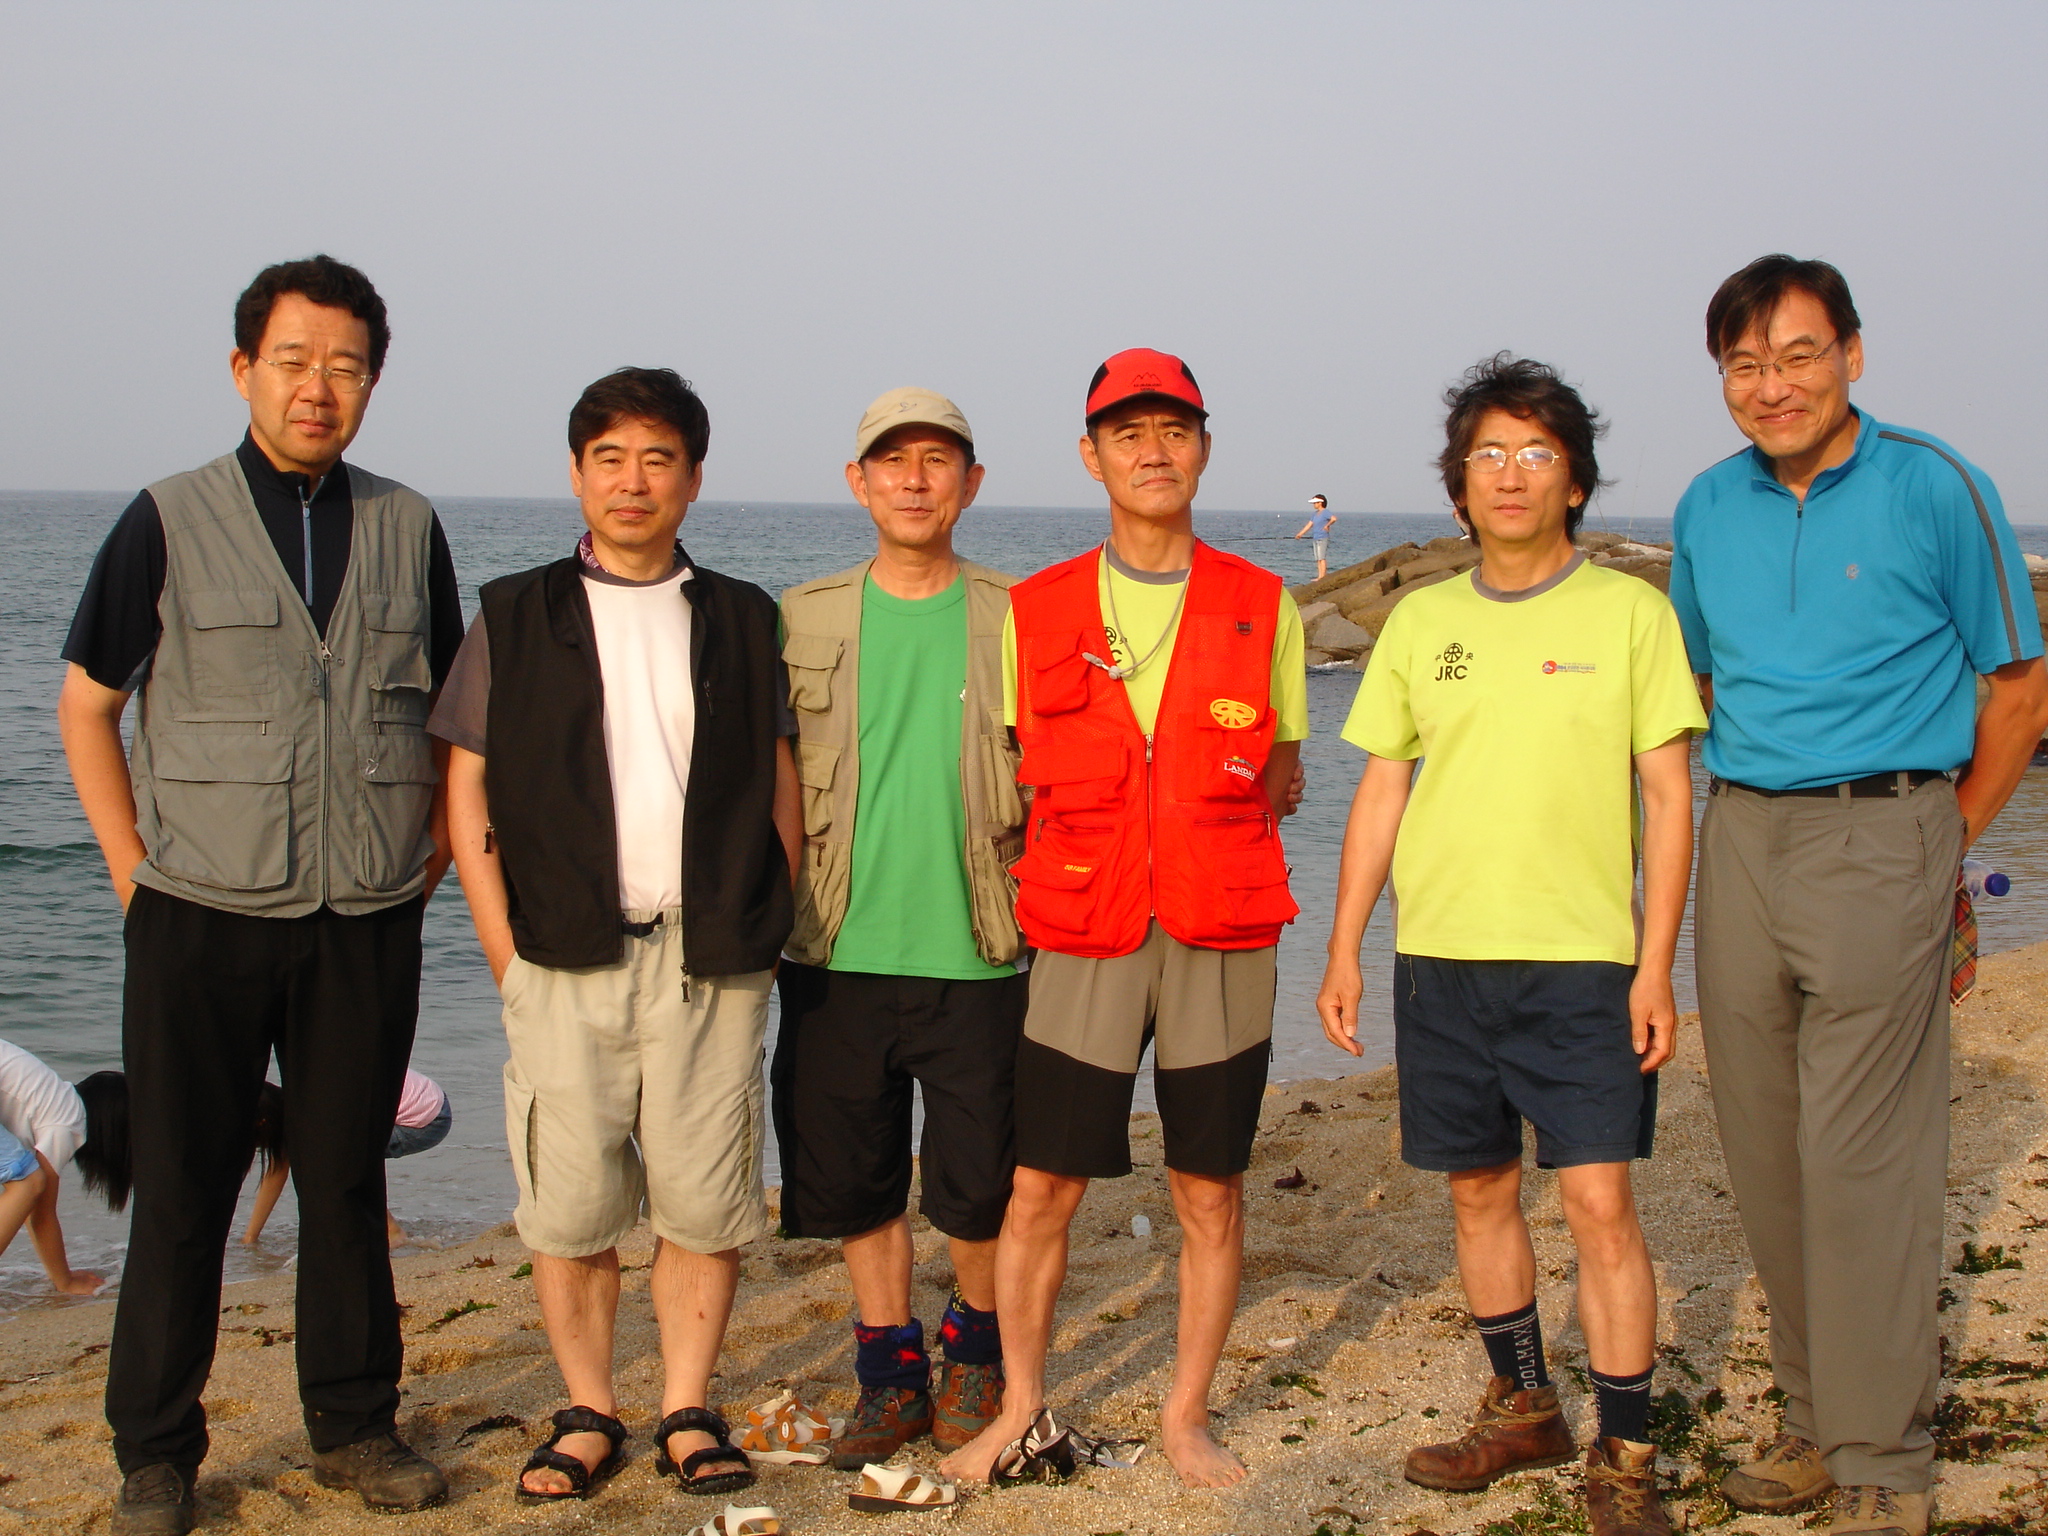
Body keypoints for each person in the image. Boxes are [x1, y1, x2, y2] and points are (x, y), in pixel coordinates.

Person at [56, 255, 464, 1533]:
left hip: (364, 923)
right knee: (183, 1190)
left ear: (373, 381)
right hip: (197, 917)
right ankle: (156, 1455)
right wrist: (132, 879)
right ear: (244, 370)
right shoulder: (166, 517)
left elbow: (454, 722)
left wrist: (429, 862)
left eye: (344, 366)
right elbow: (87, 706)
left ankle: (356, 1428)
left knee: (344, 1181)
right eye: (292, 361)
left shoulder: (408, 525)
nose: (316, 387)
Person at [1669, 256, 2048, 1536]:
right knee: (1766, 1147)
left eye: (1796, 355)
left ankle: (1883, 1459)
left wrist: (1937, 843)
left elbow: (2017, 693)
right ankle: (1811, 1419)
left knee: (1862, 1158)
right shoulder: (1705, 505)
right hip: (1740, 836)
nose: (1770, 385)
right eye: (1743, 364)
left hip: (1885, 828)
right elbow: (1700, 683)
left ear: (1850, 355)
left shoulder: (1933, 483)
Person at [1317, 355, 1704, 1536]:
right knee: (1478, 1189)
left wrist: (1654, 964)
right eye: (1487, 454)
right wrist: (1342, 948)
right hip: (1439, 959)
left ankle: (1625, 1453)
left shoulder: (1629, 616)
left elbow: (1667, 800)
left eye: (1536, 453)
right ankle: (1524, 1405)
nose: (1509, 474)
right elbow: (1381, 792)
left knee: (1596, 1200)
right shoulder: (1421, 622)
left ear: (1573, 482)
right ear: (1457, 487)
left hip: (1581, 962)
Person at [431, 367, 800, 1508]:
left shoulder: (740, 614)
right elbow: (466, 785)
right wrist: (501, 950)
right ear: (578, 474)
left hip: (711, 954)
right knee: (571, 1206)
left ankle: (686, 1406)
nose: (632, 481)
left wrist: (771, 907)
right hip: (559, 954)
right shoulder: (514, 611)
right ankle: (588, 1410)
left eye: (656, 459)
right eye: (610, 459)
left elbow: (779, 775)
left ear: (692, 478)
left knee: (704, 1199)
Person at [941, 348, 1307, 1489]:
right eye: (1128, 432)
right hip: (1085, 929)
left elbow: (1280, 773)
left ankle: (1185, 1415)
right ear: (1090, 455)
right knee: (1041, 1188)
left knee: (1209, 1190)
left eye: (1174, 430)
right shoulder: (1037, 608)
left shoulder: (1263, 604)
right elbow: (1020, 771)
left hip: (1219, 929)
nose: (1154, 451)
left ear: (1204, 448)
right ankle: (1020, 1408)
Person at [772, 388, 1028, 1468]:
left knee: (979, 1185)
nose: (914, 480)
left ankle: (975, 1355)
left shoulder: (1019, 614)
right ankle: (887, 1372)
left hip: (983, 949)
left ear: (971, 483)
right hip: (834, 947)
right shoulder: (800, 616)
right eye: (892, 461)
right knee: (855, 1179)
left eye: (937, 461)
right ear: (858, 482)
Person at [241, 1069, 449, 1248]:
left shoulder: (313, 1115)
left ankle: (392, 1232)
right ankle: (378, 1226)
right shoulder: (299, 1101)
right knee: (334, 1155)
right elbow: (275, 1174)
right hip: (427, 1099)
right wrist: (250, 1238)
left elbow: (342, 1159)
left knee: (334, 1159)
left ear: (262, 1123)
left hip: (425, 1120)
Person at [0, 1040, 104, 1297]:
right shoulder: (68, 1119)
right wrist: (65, 1282)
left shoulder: (48, 1097)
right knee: (29, 1184)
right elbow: (41, 1214)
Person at [1294, 493, 1336, 579]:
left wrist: (1327, 525)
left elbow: (1334, 518)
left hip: (1322, 537)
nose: (1314, 505)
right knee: (1318, 558)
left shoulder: (1325, 512)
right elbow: (1309, 525)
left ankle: (1322, 576)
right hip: (1315, 538)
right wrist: (1300, 534)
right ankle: (1320, 576)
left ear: (1320, 503)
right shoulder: (1315, 514)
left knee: (1322, 557)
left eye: (1315, 503)